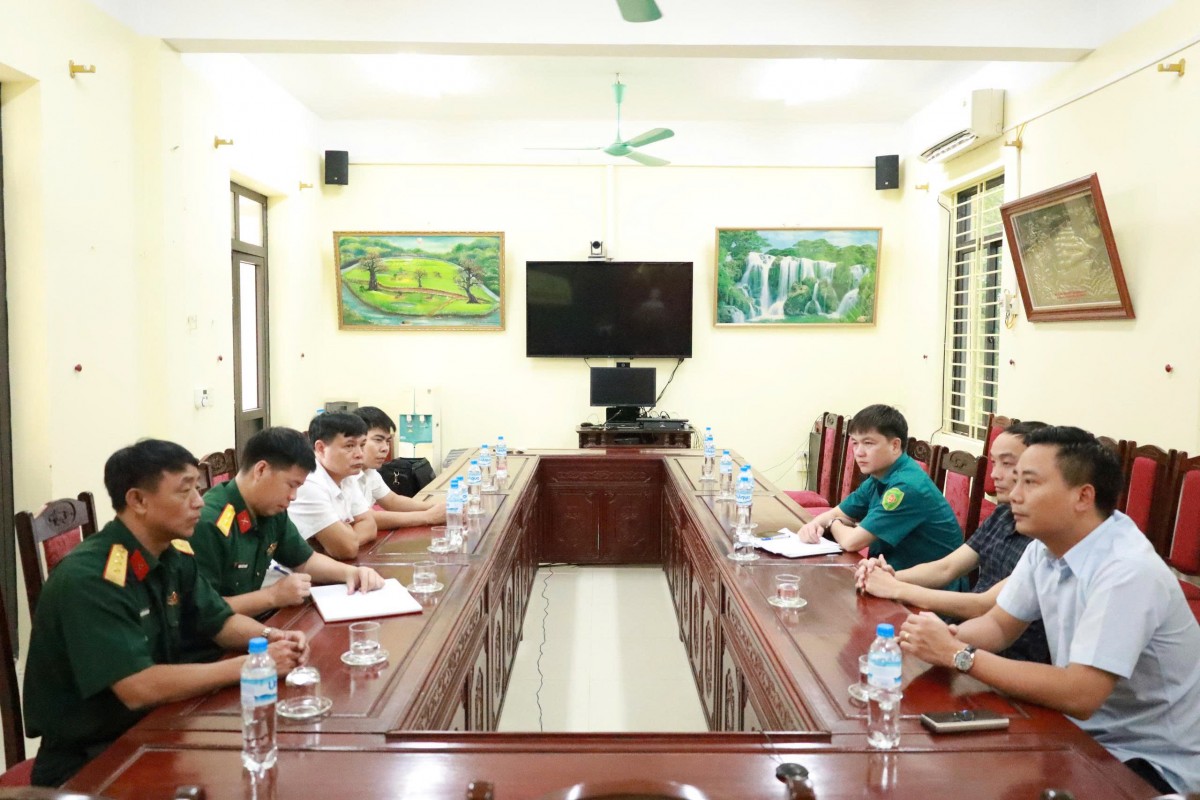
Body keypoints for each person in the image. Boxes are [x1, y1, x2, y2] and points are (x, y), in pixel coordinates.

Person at [899, 427, 1200, 794]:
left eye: (1030, 482)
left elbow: (1080, 694)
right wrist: (935, 638)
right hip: (1077, 732)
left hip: (1148, 761)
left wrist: (958, 655)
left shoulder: (1127, 569)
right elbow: (999, 626)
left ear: (1083, 496)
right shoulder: (1044, 548)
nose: (1014, 494)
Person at [22, 440, 309, 787]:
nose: (199, 502)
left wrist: (271, 639)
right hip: (92, 759)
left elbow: (219, 621)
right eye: (185, 491)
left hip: (159, 723)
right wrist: (251, 666)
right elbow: (138, 687)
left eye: (198, 489)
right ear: (138, 501)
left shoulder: (171, 554)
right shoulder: (92, 578)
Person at [856, 421, 1051, 663]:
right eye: (994, 463)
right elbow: (947, 567)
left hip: (1011, 658)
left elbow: (985, 606)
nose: (994, 475)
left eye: (1008, 464)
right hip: (967, 633)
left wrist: (896, 588)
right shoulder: (1003, 514)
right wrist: (888, 577)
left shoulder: (1048, 539)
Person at [191, 426, 385, 621]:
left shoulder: (271, 509)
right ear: (261, 470)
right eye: (291, 485)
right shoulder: (208, 522)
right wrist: (272, 596)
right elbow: (202, 611)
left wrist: (352, 573)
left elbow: (305, 560)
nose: (293, 497)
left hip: (252, 621)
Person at [798, 404, 965, 585]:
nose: (859, 452)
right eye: (855, 443)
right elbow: (838, 512)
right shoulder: (879, 476)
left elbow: (851, 542)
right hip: (890, 577)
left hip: (929, 591)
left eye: (868, 443)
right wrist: (812, 526)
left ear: (895, 446)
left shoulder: (905, 487)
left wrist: (832, 523)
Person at [352, 406, 445, 528]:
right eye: (378, 440)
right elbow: (366, 518)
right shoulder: (345, 475)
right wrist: (427, 516)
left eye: (388, 441)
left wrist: (435, 507)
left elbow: (392, 501)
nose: (385, 448)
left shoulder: (370, 471)